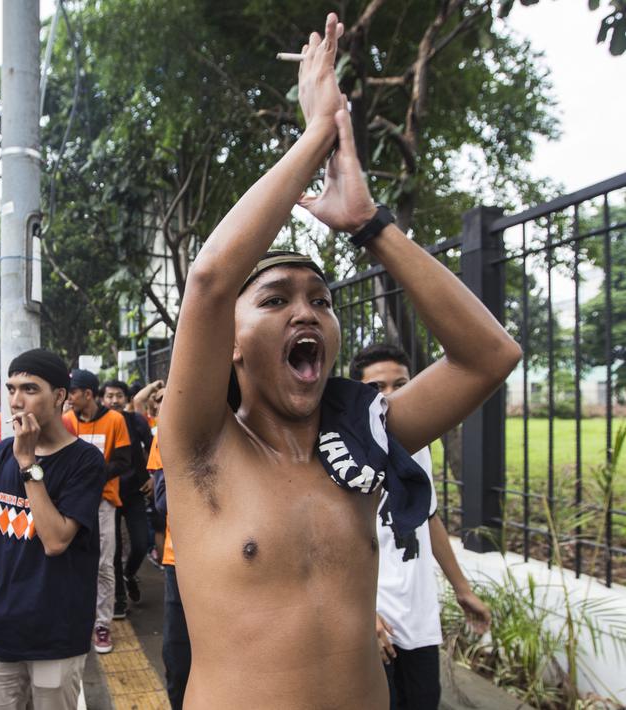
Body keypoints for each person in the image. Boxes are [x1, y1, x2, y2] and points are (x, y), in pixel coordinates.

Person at [159, 13, 521, 708]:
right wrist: (317, 132)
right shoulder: (199, 445)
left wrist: (368, 224)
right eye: (272, 300)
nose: (305, 311)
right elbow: (206, 282)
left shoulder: (361, 440)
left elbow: (488, 355)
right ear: (228, 342)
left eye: (320, 300)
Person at [0, 349, 105, 710]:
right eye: (10, 388)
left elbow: (55, 541)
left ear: (59, 396)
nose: (16, 401)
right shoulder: (4, 452)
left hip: (55, 632)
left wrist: (28, 463)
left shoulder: (84, 461)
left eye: (30, 389)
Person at [352, 344, 492, 710]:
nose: (391, 395)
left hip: (420, 622)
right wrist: (364, 616)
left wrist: (463, 590)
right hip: (373, 624)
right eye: (378, 387)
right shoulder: (344, 456)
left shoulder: (418, 448)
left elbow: (427, 518)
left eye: (401, 383)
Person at [63, 369, 132, 653]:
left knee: (104, 565)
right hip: (71, 502)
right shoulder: (66, 421)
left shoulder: (115, 420)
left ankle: (102, 624)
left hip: (103, 502)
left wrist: (93, 475)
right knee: (72, 560)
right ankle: (76, 618)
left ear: (87, 394)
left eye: (72, 393)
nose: (68, 398)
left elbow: (123, 460)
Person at [101, 380, 153, 618]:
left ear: (126, 399)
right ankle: (119, 599)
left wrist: (153, 476)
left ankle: (129, 573)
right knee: (114, 550)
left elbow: (156, 448)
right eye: (109, 396)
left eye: (119, 396)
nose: (114, 400)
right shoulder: (99, 423)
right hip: (109, 494)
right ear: (102, 399)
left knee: (142, 543)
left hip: (134, 492)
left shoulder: (137, 421)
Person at [148, 435, 189, 710]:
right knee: (178, 659)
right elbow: (163, 502)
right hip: (182, 561)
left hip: (242, 565)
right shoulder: (171, 427)